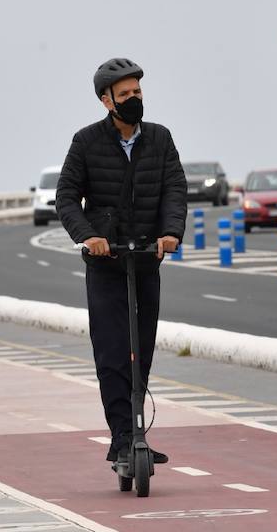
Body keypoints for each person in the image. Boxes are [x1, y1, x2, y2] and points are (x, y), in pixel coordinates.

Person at [54, 58, 186, 472]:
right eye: (125, 94)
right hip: (106, 263)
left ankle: (136, 434)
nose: (134, 100)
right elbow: (66, 195)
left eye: (138, 93)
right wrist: (88, 237)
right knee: (113, 352)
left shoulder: (160, 139)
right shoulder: (87, 142)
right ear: (105, 100)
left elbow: (174, 189)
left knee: (141, 348)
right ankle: (123, 439)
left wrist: (171, 233)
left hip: (147, 258)